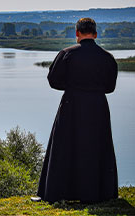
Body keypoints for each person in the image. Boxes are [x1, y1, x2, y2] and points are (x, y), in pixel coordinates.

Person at [35, 18, 118, 203]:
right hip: (98, 105)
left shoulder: (67, 54)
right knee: (97, 146)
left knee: (65, 145)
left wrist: (73, 87)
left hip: (71, 104)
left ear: (77, 34)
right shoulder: (107, 57)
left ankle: (57, 193)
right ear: (95, 34)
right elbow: (110, 87)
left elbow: (53, 81)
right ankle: (100, 193)